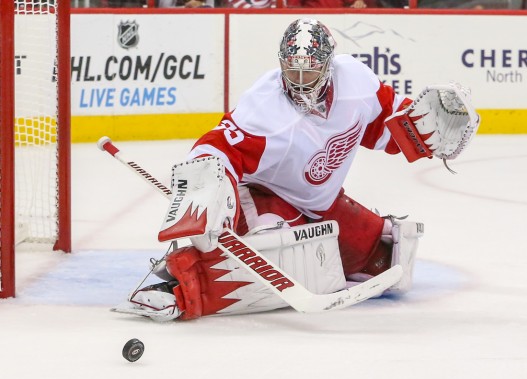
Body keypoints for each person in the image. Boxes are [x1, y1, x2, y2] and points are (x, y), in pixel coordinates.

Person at [114, 18, 478, 321]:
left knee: (381, 260)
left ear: (329, 63)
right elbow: (216, 148)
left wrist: (419, 132)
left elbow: (382, 122)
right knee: (277, 246)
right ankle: (175, 285)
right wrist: (208, 192)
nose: (301, 80)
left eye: (311, 70)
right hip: (262, 195)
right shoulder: (265, 109)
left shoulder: (356, 81)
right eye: (293, 70)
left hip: (320, 201)